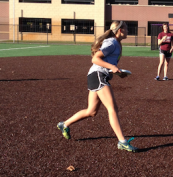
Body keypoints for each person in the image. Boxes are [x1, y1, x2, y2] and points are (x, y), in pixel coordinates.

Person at [57, 21, 138, 152]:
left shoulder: (116, 43)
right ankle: (122, 141)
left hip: (98, 75)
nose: (128, 31)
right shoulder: (111, 42)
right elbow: (95, 59)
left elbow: (106, 62)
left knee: (91, 111)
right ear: (120, 30)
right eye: (126, 28)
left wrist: (117, 72)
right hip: (98, 75)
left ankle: (64, 124)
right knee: (112, 108)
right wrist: (112, 67)